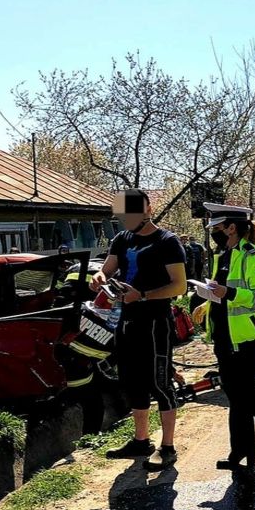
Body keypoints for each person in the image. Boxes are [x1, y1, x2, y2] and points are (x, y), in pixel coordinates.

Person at [90, 189, 188, 471]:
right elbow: (108, 269)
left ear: (148, 210)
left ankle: (167, 446)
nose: (125, 219)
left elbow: (179, 285)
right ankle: (140, 440)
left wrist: (142, 295)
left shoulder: (167, 242)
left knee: (160, 382)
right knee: (131, 381)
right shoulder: (122, 239)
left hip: (156, 322)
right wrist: (99, 277)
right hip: (127, 320)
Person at [193, 202, 255, 470]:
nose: (213, 232)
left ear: (231, 227)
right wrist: (209, 300)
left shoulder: (254, 256)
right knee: (237, 396)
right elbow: (223, 291)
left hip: (247, 338)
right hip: (225, 337)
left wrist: (230, 294)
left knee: (247, 395)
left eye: (217, 227)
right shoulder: (224, 254)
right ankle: (243, 451)